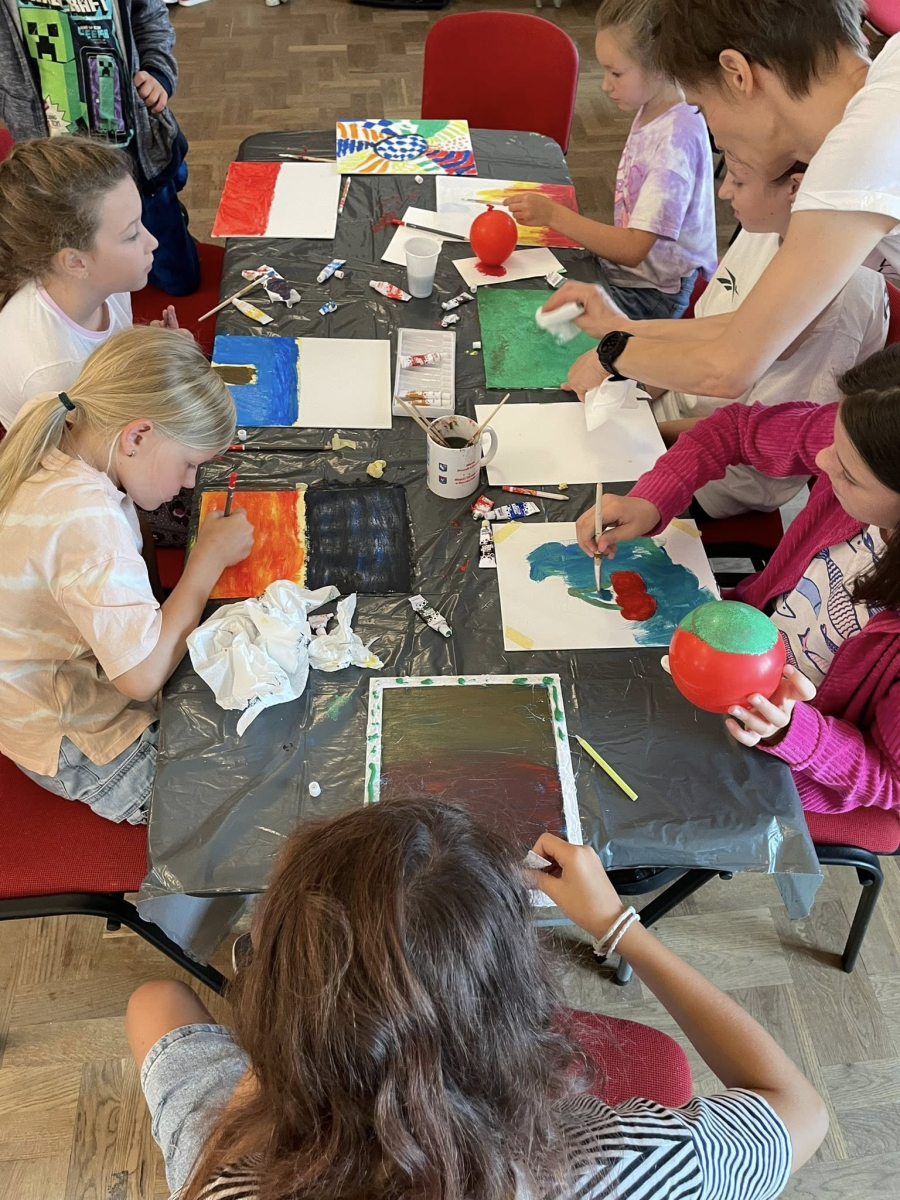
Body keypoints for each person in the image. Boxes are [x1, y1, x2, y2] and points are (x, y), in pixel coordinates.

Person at [126, 798, 827, 1200]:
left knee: (157, 1003)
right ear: (518, 998)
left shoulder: (228, 1188)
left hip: (293, 1129)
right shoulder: (630, 1164)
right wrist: (619, 926)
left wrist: (288, 1039)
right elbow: (799, 1109)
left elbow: (156, 1007)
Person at [576, 346, 900, 814]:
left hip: (790, 762)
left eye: (848, 474)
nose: (822, 460)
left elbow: (889, 782)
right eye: (833, 438)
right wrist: (652, 499)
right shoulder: (865, 435)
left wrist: (791, 730)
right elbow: (734, 429)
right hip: (728, 649)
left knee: (615, 798)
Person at [542, 0, 900, 402]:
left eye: (701, 106)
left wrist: (613, 355)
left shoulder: (860, 151)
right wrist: (623, 329)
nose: (712, 133)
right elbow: (748, 329)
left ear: (737, 74)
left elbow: (729, 367)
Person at [0, 326, 254, 824]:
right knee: (236, 799)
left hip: (46, 680)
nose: (190, 483)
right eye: (188, 465)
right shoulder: (86, 523)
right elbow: (141, 678)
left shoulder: (58, 413)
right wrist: (204, 563)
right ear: (136, 435)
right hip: (78, 740)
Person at [643, 154, 887, 518]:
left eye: (739, 180)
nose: (723, 191)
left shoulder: (839, 307)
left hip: (728, 473)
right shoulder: (765, 223)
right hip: (678, 414)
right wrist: (639, 389)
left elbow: (753, 432)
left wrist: (644, 430)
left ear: (794, 188)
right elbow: (699, 334)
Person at [505, 0, 716, 321]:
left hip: (653, 295)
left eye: (616, 73)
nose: (605, 85)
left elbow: (632, 250)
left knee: (544, 324)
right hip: (635, 276)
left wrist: (552, 214)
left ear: (661, 64)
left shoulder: (674, 145)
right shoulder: (657, 104)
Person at [0, 0, 200, 294]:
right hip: (56, 162)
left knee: (179, 278)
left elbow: (150, 18)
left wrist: (157, 72)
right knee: (89, 267)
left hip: (136, 153)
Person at [0, 136, 178, 433]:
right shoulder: (55, 372)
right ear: (75, 262)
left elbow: (111, 357)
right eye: (132, 234)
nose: (152, 242)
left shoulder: (102, 282)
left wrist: (151, 347)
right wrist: (167, 366)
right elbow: (98, 446)